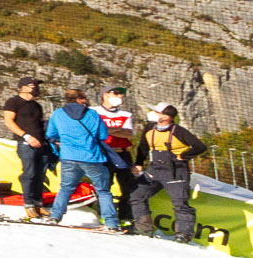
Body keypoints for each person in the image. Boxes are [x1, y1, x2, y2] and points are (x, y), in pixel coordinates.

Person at [46, 87, 123, 230]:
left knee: (65, 189)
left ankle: (55, 216)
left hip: (68, 157)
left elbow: (51, 134)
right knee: (103, 191)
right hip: (91, 157)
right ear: (79, 100)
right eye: (84, 97)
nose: (87, 100)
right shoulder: (92, 114)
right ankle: (111, 223)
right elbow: (103, 136)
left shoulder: (58, 114)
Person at [131, 104, 208, 242]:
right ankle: (143, 228)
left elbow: (200, 147)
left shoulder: (178, 131)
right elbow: (143, 146)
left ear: (166, 117)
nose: (151, 113)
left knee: (180, 203)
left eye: (156, 111)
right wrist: (139, 163)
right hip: (154, 169)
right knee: (136, 194)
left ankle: (183, 234)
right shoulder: (150, 128)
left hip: (176, 171)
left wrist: (184, 156)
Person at [1, 78, 52, 219]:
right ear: (23, 87)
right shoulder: (13, 102)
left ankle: (38, 204)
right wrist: (26, 136)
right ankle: (29, 204)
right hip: (25, 143)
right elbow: (8, 121)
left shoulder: (37, 106)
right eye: (32, 85)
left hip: (41, 143)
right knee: (29, 173)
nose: (35, 88)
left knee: (40, 175)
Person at [95, 84, 138, 211]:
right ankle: (103, 215)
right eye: (116, 93)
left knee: (128, 187)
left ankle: (126, 216)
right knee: (104, 186)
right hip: (103, 153)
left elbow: (129, 133)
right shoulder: (94, 111)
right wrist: (118, 130)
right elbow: (96, 131)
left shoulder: (126, 114)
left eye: (121, 93)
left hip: (123, 154)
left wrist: (108, 130)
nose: (120, 96)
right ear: (106, 95)